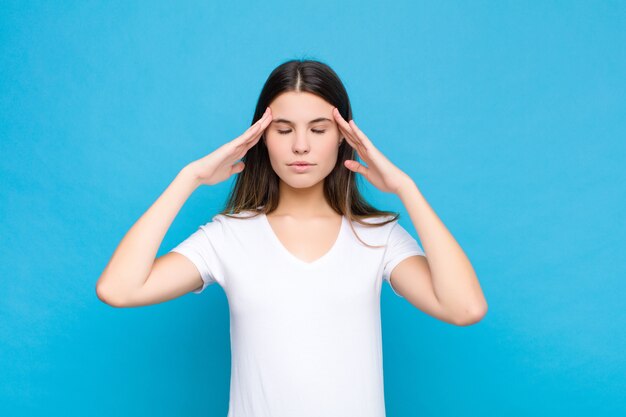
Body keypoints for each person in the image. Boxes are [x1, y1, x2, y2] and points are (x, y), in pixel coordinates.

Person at [96, 59, 488, 417]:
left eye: (318, 129)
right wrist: (189, 178)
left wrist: (406, 189)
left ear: (343, 136)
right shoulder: (229, 236)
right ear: (261, 138)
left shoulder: (377, 237)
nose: (301, 145)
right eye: (283, 130)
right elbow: (119, 289)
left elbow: (464, 308)